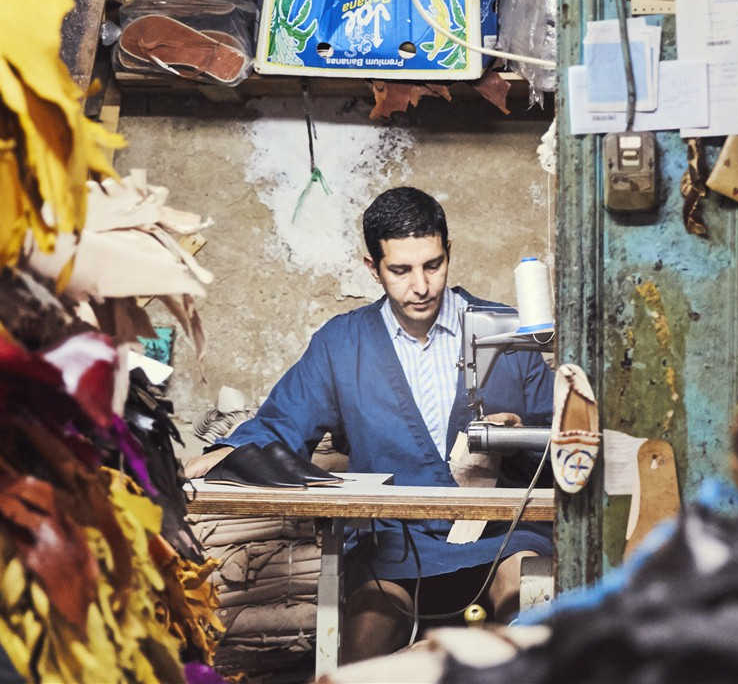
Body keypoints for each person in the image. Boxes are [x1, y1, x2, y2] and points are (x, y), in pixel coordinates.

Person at [183, 186, 553, 662]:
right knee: (364, 649)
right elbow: (282, 425)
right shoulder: (342, 344)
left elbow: (558, 436)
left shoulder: (505, 330)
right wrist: (224, 455)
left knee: (529, 617)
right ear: (371, 267)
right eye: (400, 270)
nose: (421, 285)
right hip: (394, 543)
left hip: (500, 535)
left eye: (433, 265)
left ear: (448, 252)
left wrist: (515, 430)